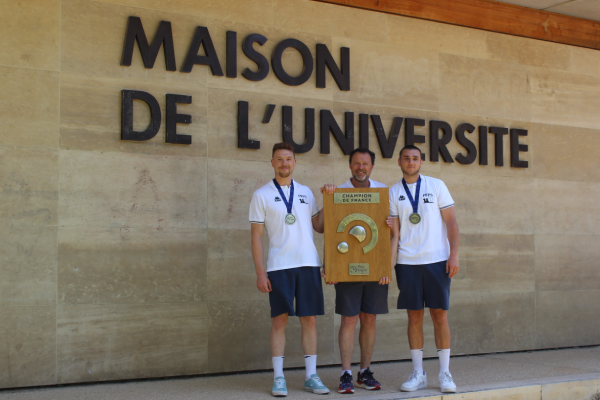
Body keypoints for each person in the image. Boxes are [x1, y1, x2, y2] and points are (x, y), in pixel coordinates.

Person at [249, 142, 330, 397]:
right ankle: (279, 378)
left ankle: (311, 376)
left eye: (288, 159)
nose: (284, 163)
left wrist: (329, 200)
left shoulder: (306, 192)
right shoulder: (261, 195)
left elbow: (319, 226)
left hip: (308, 264)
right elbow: (256, 237)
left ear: (295, 162)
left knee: (310, 320)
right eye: (279, 159)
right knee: (279, 321)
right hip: (279, 266)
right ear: (272, 163)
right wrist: (260, 272)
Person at [389, 145, 459, 394]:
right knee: (414, 316)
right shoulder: (393, 192)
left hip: (437, 261)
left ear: (421, 162)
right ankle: (418, 373)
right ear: (399, 162)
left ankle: (444, 373)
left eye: (415, 158)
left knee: (439, 315)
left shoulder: (436, 185)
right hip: (407, 263)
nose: (411, 162)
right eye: (406, 158)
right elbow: (394, 234)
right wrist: (388, 265)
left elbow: (451, 222)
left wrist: (453, 255)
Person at [320, 148, 391, 394]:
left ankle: (365, 372)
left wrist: (386, 267)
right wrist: (329, 265)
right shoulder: (337, 192)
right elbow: (328, 231)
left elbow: (391, 234)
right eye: (357, 163)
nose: (361, 167)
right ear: (350, 165)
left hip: (376, 271)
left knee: (369, 319)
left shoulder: (384, 193)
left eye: (366, 163)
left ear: (372, 166)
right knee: (349, 320)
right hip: (346, 270)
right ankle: (346, 373)